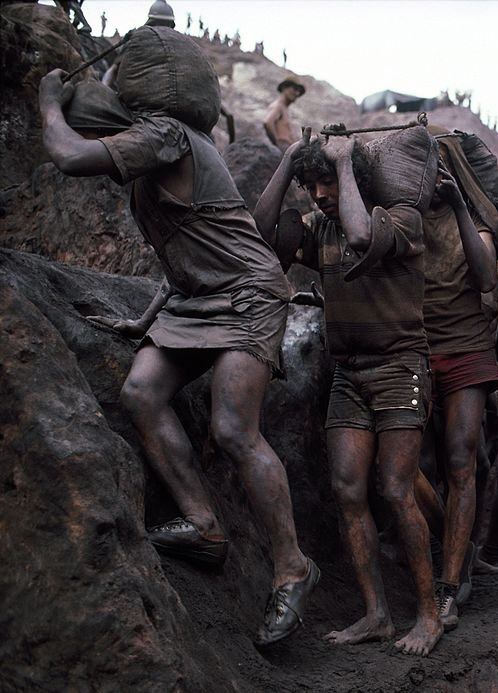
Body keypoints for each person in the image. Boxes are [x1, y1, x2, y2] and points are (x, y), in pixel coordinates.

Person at [37, 71, 317, 647]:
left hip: (247, 294)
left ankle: (292, 568)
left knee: (235, 428)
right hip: (195, 299)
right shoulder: (153, 157)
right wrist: (143, 322)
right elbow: (183, 250)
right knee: (140, 392)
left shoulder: (164, 135)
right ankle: (203, 524)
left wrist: (47, 106)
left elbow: (68, 155)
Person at [254, 133, 441, 657]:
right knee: (347, 490)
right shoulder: (320, 228)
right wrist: (288, 161)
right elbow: (261, 233)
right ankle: (376, 614)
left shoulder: (399, 220)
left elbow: (362, 238)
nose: (318, 195)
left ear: (353, 177)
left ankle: (429, 615)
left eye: (327, 183)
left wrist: (343, 163)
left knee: (396, 490)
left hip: (400, 368)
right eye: (311, 186)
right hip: (349, 375)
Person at [418, 129, 498, 631]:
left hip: (467, 347)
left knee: (460, 462)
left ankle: (449, 586)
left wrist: (459, 206)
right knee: (405, 467)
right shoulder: (399, 214)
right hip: (412, 349)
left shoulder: (477, 221)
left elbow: (488, 276)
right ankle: (457, 544)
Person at [264, 76, 304, 152]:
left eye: (299, 91)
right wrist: (277, 144)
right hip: (284, 147)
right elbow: (268, 122)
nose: (297, 93)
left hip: (288, 148)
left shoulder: (284, 108)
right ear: (284, 87)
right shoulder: (278, 106)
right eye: (295, 89)